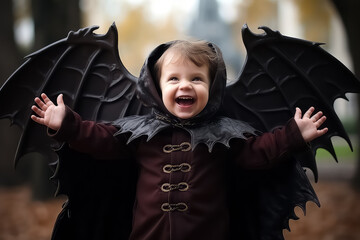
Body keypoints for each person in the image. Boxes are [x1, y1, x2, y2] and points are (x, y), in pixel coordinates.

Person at [31, 40, 327, 239]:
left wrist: (293, 134)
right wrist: (67, 124)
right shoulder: (138, 132)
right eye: (173, 79)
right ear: (156, 88)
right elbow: (99, 139)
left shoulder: (226, 134)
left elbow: (259, 152)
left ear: (212, 87)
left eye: (196, 79)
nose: (185, 84)